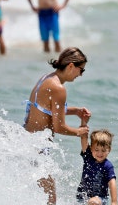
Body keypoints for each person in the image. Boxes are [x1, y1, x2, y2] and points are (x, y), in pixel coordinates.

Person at [24, 47, 92, 205]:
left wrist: (75, 111)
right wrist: (81, 132)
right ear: (70, 66)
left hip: (28, 141)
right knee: (50, 198)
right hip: (38, 148)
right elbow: (59, 127)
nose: (80, 75)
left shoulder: (46, 78)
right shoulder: (59, 88)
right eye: (81, 70)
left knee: (43, 195)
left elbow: (48, 110)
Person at [76, 128, 118, 205]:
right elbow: (84, 137)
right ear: (91, 148)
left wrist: (114, 202)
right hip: (82, 198)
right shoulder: (88, 158)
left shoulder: (108, 166)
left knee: (93, 201)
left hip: (101, 199)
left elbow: (112, 183)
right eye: (96, 150)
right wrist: (84, 121)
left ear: (109, 150)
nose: (100, 153)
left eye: (103, 150)